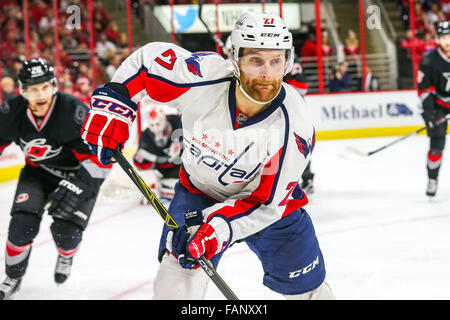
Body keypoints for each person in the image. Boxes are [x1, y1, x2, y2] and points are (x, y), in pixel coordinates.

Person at [81, 11, 334, 300]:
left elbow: (265, 203)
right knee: (175, 283)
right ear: (235, 59)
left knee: (310, 291)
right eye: (255, 60)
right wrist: (113, 104)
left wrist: (219, 229)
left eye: (276, 61)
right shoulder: (204, 77)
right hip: (199, 194)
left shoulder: (295, 125)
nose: (267, 74)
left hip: (270, 208)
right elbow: (148, 62)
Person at [0, 58, 111, 300]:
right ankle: (13, 276)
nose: (39, 95)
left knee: (66, 233)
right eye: (32, 89)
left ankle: (66, 255)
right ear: (22, 91)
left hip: (76, 175)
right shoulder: (12, 112)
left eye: (44, 88)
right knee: (20, 228)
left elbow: (102, 159)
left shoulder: (74, 111)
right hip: (36, 173)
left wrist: (82, 186)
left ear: (54, 86)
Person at [417, 21, 450, 197]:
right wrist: (431, 113)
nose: (447, 41)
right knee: (437, 145)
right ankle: (432, 178)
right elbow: (423, 90)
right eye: (444, 37)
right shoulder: (429, 61)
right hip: (438, 106)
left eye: (449, 37)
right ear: (438, 39)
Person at [133, 101, 182, 206]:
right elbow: (140, 162)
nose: (156, 127)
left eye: (158, 123)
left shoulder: (177, 121)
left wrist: (180, 143)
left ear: (164, 119)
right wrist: (154, 160)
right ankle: (158, 188)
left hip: (185, 166)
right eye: (152, 124)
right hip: (164, 171)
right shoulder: (146, 136)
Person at [283, 54, 315, 195]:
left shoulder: (289, 66)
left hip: (292, 112)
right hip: (294, 112)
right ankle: (305, 180)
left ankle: (305, 180)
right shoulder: (288, 64)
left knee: (297, 149)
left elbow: (302, 87)